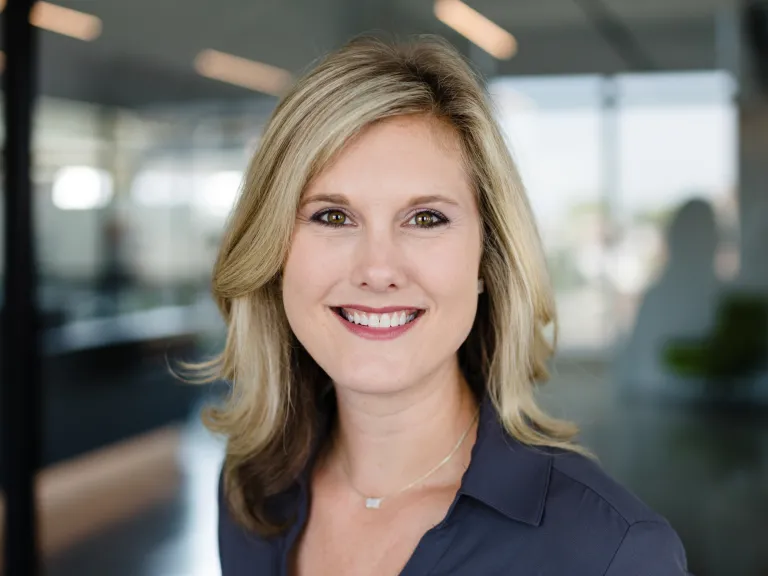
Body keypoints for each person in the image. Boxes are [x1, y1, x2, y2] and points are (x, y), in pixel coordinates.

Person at [197, 36, 690, 575]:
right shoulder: (252, 494)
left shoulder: (610, 550)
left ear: (486, 258)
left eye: (426, 218)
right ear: (274, 253)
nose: (378, 270)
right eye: (333, 217)